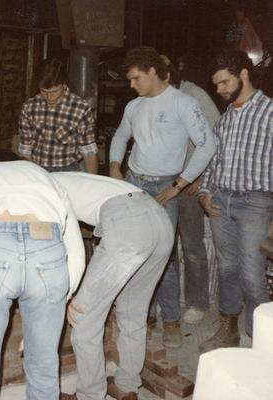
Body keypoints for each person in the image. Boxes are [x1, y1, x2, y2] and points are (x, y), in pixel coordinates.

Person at [0, 160, 86, 400]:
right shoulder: (48, 179)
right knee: (44, 364)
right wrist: (61, 295)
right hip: (46, 246)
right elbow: (77, 254)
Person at [109, 46, 216, 348]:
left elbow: (207, 145)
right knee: (133, 251)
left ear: (153, 72)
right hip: (134, 182)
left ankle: (171, 320)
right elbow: (120, 135)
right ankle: (144, 313)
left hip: (165, 189)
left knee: (163, 255)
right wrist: (115, 165)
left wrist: (180, 185)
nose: (132, 85)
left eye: (136, 78)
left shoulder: (183, 103)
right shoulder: (134, 106)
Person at [53, 172, 174, 400]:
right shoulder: (63, 177)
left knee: (83, 320)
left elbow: (68, 246)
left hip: (128, 225)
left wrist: (70, 294)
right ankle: (127, 387)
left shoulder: (44, 188)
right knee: (133, 313)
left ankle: (89, 396)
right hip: (159, 219)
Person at [198, 49, 272, 352]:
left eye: (224, 82)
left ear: (243, 73)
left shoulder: (269, 112)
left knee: (253, 276)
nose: (219, 90)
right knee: (226, 269)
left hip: (255, 204)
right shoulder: (227, 117)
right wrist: (204, 193)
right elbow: (214, 161)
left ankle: (261, 342)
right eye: (216, 84)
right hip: (221, 202)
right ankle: (228, 329)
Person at [163, 55, 221, 324]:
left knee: (192, 245)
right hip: (165, 180)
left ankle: (198, 302)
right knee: (164, 246)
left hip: (188, 183)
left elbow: (216, 141)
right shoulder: (157, 98)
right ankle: (168, 301)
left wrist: (200, 177)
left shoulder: (195, 96)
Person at [18, 58, 98, 173]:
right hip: (37, 168)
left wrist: (92, 183)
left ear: (64, 83)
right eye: (44, 91)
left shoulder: (81, 109)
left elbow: (89, 153)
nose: (49, 97)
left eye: (54, 91)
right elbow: (25, 150)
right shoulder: (29, 108)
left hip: (69, 170)